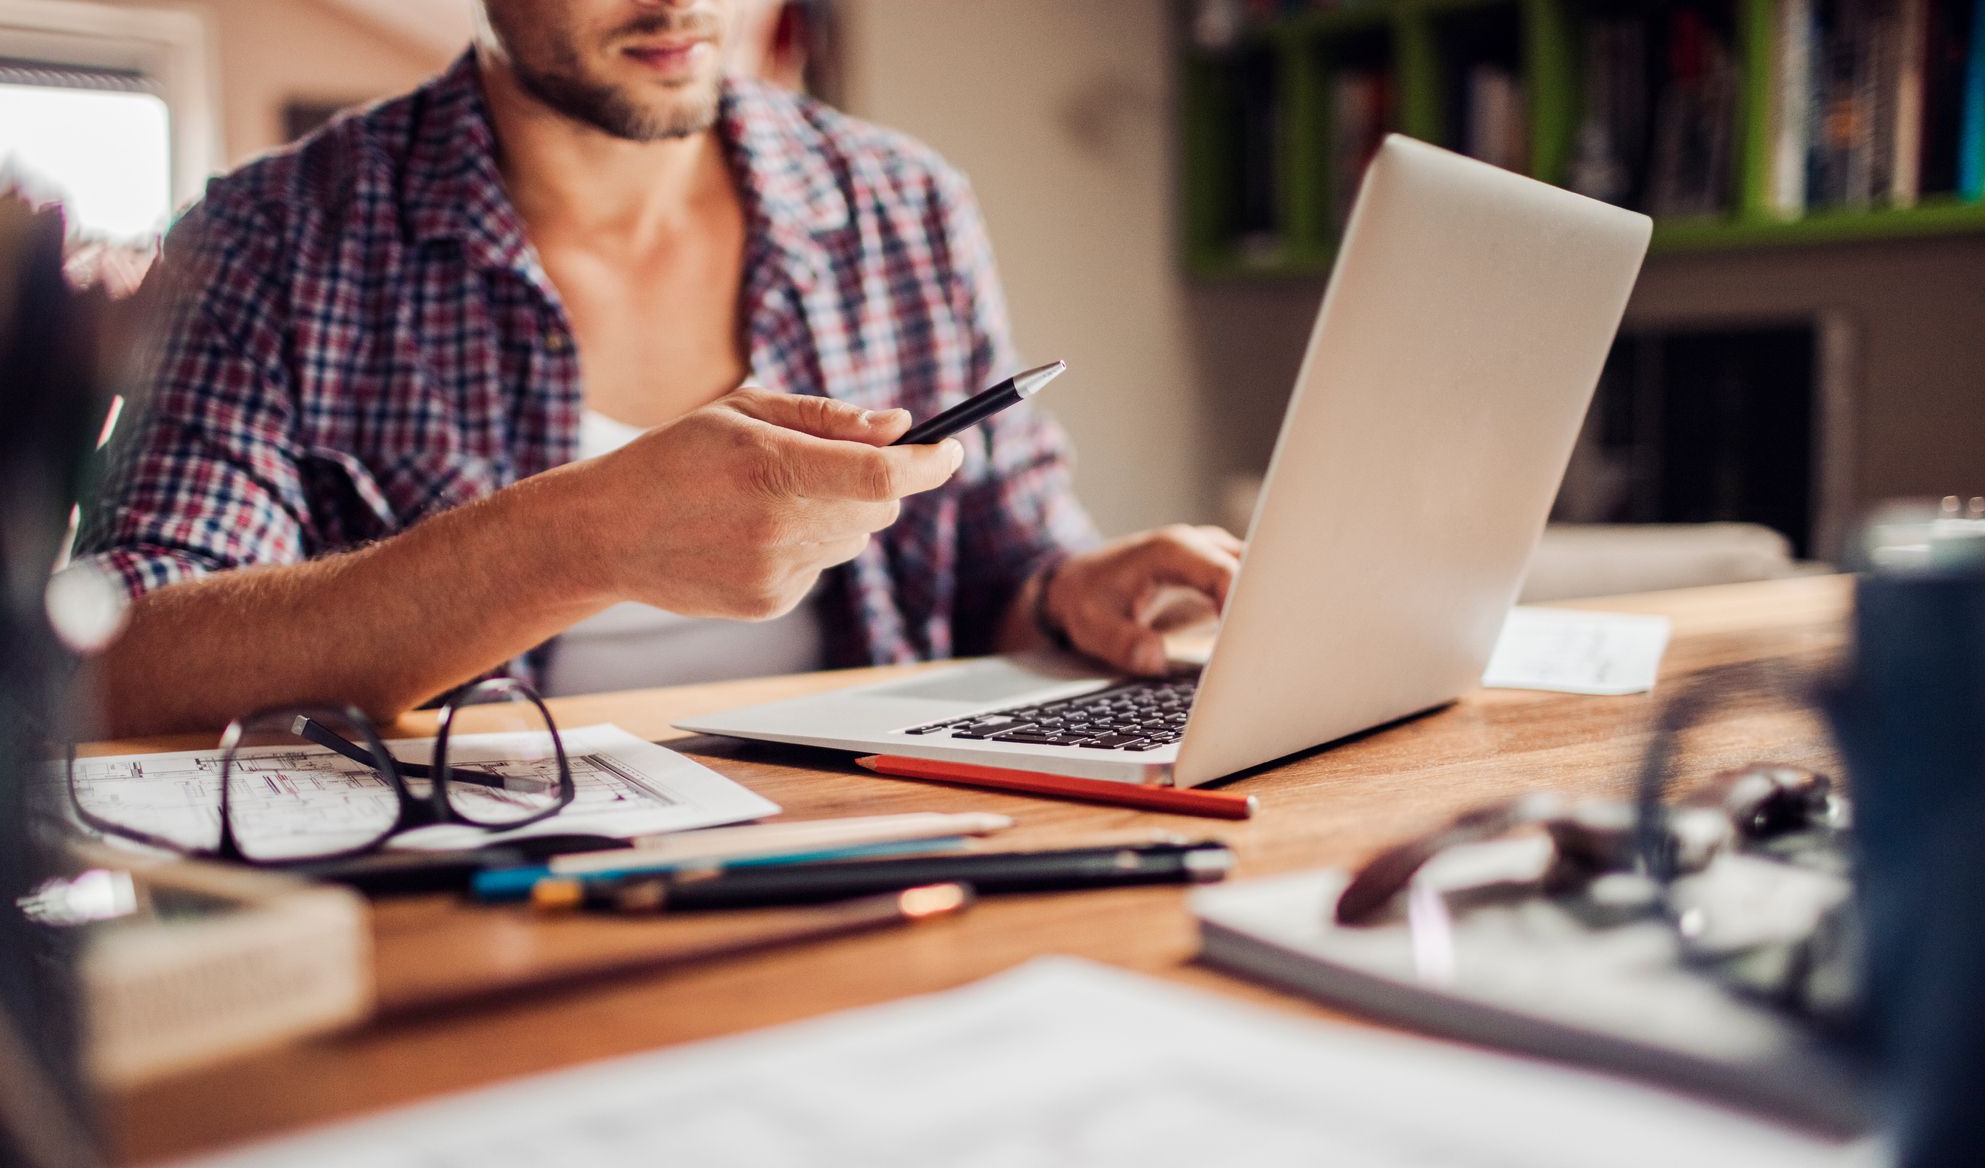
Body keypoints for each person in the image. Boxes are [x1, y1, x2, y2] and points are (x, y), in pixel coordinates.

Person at [78, 0, 1243, 735]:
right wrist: (581, 536)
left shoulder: (906, 201)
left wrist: (1070, 587)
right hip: (482, 901)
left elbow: (1004, 550)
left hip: (872, 844)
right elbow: (126, 655)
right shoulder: (271, 236)